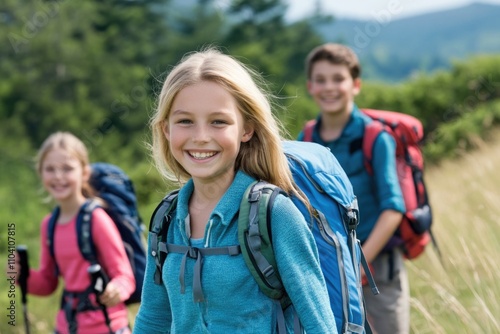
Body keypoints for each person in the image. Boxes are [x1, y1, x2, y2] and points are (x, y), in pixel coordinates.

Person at [134, 48, 337, 334]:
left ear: (247, 129)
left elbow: (320, 325)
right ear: (166, 129)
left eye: (219, 121)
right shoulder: (166, 219)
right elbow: (153, 320)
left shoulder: (275, 215)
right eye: (185, 121)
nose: (201, 137)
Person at [298, 43, 408, 334]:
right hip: (329, 267)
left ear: (355, 85)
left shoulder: (375, 136)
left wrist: (360, 264)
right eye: (320, 80)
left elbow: (393, 209)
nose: (329, 87)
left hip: (376, 269)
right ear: (310, 86)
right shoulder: (306, 137)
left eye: (338, 79)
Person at [18, 131, 135, 334]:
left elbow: (124, 275)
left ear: (84, 173)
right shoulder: (49, 224)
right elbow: (47, 283)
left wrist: (116, 289)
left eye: (67, 168)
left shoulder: (97, 219)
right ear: (41, 173)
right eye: (50, 169)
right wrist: (21, 276)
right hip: (67, 327)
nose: (58, 177)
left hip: (107, 326)